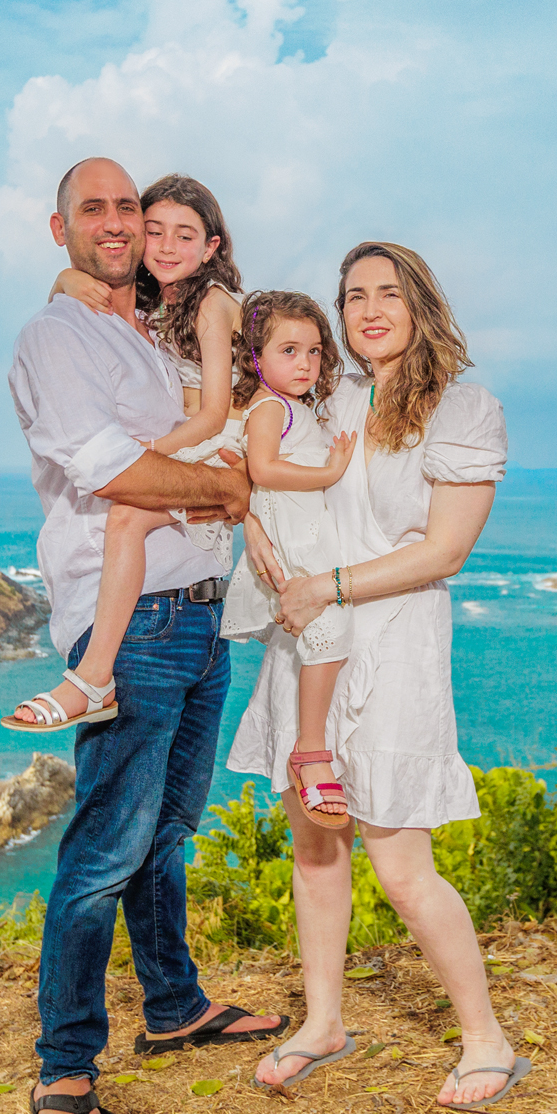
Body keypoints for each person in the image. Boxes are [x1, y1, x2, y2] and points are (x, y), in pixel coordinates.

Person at [7, 156, 287, 1114]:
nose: (120, 224)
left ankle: (172, 1003)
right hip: (129, 619)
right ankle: (67, 1060)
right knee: (104, 850)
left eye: (131, 208)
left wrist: (225, 484)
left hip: (198, 614)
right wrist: (220, 489)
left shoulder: (160, 333)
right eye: (99, 209)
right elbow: (118, 472)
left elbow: (222, 443)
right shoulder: (58, 336)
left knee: (167, 830)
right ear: (62, 229)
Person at [230, 241, 529, 1110]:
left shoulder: (462, 409)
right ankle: (323, 1023)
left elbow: (446, 550)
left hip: (392, 639)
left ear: (420, 304)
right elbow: (265, 469)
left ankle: (487, 1038)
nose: (368, 310)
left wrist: (328, 584)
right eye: (353, 295)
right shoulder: (329, 398)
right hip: (310, 639)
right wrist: (253, 525)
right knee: (317, 846)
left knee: (401, 863)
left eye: (387, 294)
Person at [7, 175, 244, 732]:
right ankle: (92, 679)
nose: (164, 245)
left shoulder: (194, 307)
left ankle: (92, 679)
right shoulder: (120, 313)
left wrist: (158, 451)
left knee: (171, 817)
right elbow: (108, 468)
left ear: (211, 247)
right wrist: (65, 279)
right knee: (122, 819)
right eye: (155, 229)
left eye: (183, 235)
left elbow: (212, 414)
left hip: (202, 582)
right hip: (150, 613)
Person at [218, 291, 358, 828]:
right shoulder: (271, 406)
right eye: (289, 350)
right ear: (256, 357)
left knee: (328, 636)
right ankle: (311, 748)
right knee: (329, 631)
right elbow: (265, 469)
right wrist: (329, 472)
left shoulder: (295, 407)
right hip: (295, 544)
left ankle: (310, 743)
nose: (305, 363)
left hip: (308, 537)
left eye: (315, 352)